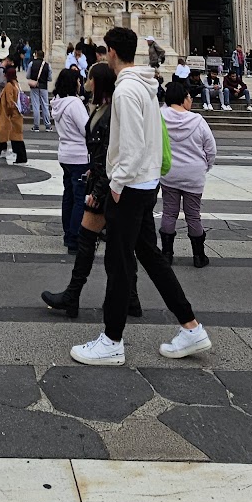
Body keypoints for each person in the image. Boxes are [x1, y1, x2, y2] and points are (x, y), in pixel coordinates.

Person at [70, 26, 212, 368]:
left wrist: (116, 185)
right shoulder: (148, 86)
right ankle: (190, 327)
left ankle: (112, 341)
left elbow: (131, 144)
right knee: (150, 257)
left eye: (104, 52)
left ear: (111, 53)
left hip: (131, 189)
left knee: (118, 265)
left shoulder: (125, 91)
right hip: (147, 184)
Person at [41, 62, 142, 320]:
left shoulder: (110, 111)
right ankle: (82, 297)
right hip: (102, 181)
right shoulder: (99, 108)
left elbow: (111, 153)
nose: (84, 81)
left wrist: (97, 189)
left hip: (110, 186)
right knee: (107, 243)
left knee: (124, 246)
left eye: (88, 77)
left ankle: (123, 300)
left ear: (97, 82)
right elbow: (101, 153)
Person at [160, 78, 217, 267]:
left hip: (169, 173)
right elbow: (211, 148)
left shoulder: (159, 117)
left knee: (169, 213)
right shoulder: (198, 120)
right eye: (189, 96)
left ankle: (166, 254)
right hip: (193, 174)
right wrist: (205, 166)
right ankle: (199, 256)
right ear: (183, 98)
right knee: (193, 214)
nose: (191, 100)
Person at [50, 68, 90, 252]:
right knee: (79, 198)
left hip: (65, 154)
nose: (80, 84)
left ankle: (68, 233)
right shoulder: (74, 103)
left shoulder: (57, 103)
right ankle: (74, 238)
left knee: (69, 196)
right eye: (78, 81)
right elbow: (85, 129)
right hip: (79, 155)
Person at [0, 62, 27, 165]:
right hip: (15, 116)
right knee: (15, 137)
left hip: (8, 116)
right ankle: (21, 158)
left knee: (3, 136)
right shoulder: (16, 84)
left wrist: (8, 113)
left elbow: (9, 102)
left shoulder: (9, 85)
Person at [28, 49, 52, 131]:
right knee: (45, 105)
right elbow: (50, 78)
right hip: (44, 86)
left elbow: (28, 76)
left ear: (36, 55)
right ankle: (48, 125)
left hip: (34, 87)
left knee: (35, 105)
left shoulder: (31, 63)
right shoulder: (47, 65)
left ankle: (36, 126)